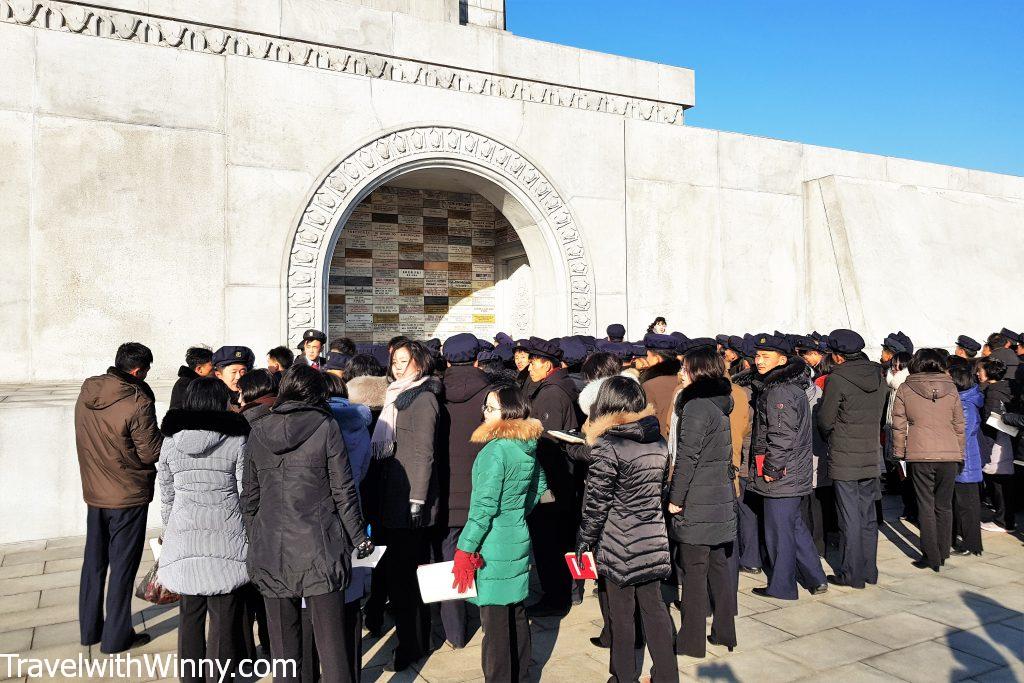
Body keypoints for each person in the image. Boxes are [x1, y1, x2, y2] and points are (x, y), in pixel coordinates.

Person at [241, 364, 372, 683]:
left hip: (272, 547)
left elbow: (250, 496)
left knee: (284, 651)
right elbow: (343, 489)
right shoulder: (326, 425)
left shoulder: (259, 428)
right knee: (332, 647)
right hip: (320, 545)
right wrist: (359, 538)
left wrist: (254, 538)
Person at [575, 377, 677, 680]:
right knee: (655, 609)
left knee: (622, 617)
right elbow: (660, 490)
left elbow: (596, 502)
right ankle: (667, 674)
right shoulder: (657, 440)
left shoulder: (608, 445)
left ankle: (623, 676)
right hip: (653, 538)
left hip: (619, 542)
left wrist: (584, 540)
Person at [452, 386, 548, 683]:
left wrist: (464, 548)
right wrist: (517, 512)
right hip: (516, 536)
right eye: (486, 407)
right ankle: (520, 674)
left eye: (491, 408)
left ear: (508, 412)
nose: (485, 412)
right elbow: (539, 486)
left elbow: (482, 509)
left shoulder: (494, 451)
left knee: (494, 625)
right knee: (516, 613)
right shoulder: (525, 445)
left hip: (492, 546)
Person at [157, 377, 250, 682]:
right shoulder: (236, 440)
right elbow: (244, 493)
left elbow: (167, 494)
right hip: (227, 536)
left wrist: (169, 530)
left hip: (184, 536)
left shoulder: (171, 443)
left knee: (189, 615)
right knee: (224, 619)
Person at [75, 342, 162, 653]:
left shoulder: (88, 389)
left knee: (94, 563)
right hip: (127, 493)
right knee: (122, 566)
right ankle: (116, 637)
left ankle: (90, 629)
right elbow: (150, 451)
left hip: (95, 490)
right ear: (138, 371)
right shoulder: (137, 401)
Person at [368, 340, 443, 671]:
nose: (398, 367)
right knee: (398, 578)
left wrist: (417, 501)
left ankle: (411, 644)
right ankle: (414, 639)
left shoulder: (423, 397)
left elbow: (424, 453)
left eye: (404, 361)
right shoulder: (395, 395)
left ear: (420, 364)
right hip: (390, 500)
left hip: (410, 502)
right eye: (395, 361)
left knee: (407, 581)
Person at [666, 348, 737, 660]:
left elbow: (687, 459)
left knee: (694, 572)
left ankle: (691, 640)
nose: (681, 373)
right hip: (719, 498)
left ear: (696, 370)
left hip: (698, 501)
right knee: (719, 568)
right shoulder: (719, 404)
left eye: (684, 367)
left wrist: (675, 499)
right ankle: (724, 631)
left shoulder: (696, 407)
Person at [746, 334, 828, 600]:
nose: (759, 361)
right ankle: (816, 578)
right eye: (757, 356)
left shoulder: (778, 390)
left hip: (782, 473)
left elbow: (781, 436)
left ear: (782, 360)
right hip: (792, 471)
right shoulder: (787, 386)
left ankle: (782, 586)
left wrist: (771, 469)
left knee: (779, 533)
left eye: (765, 356)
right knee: (793, 526)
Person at [816, 330, 887, 589]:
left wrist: (833, 434)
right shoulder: (878, 376)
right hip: (869, 451)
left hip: (845, 455)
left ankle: (851, 574)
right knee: (867, 515)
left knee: (849, 517)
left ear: (837, 356)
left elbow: (825, 419)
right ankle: (869, 570)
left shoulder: (837, 379)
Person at [438, 333, 492, 649]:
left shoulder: (432, 393)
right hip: (481, 493)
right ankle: (489, 622)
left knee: (450, 562)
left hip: (445, 494)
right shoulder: (493, 395)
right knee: (484, 559)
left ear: (447, 360)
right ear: (476, 360)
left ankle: (454, 633)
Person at [890, 349, 965, 571]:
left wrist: (899, 452)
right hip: (949, 453)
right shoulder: (951, 387)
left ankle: (931, 555)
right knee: (944, 505)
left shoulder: (905, 387)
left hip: (919, 453)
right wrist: (959, 452)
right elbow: (959, 424)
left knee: (925, 505)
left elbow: (898, 424)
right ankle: (942, 551)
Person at [521, 337, 581, 617]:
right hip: (562, 477)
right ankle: (570, 589)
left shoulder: (550, 394)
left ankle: (556, 598)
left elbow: (545, 441)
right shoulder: (557, 386)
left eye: (534, 361)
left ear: (547, 365)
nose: (529, 366)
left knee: (549, 542)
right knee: (562, 538)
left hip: (551, 480)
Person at [325, 373, 373, 681]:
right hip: (356, 512)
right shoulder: (361, 422)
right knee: (352, 597)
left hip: (324, 517)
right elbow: (366, 464)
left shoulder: (321, 424)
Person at [948, 360, 985, 556]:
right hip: (963, 460)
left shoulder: (965, 405)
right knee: (963, 504)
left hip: (965, 463)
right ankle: (965, 540)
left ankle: (972, 544)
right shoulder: (964, 401)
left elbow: (961, 433)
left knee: (968, 506)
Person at [977, 357, 1017, 533]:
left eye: (981, 370)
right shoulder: (1006, 387)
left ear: (989, 372)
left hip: (997, 440)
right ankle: (1006, 518)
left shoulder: (991, 392)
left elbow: (989, 420)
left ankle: (1003, 521)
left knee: (1000, 481)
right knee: (1004, 479)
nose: (978, 373)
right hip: (1007, 439)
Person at [639, 333, 682, 438]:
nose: (646, 360)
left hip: (660, 445)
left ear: (657, 358)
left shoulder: (649, 386)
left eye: (648, 356)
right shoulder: (683, 380)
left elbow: (647, 424)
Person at [169, 346, 213, 411]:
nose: (215, 368)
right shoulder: (185, 384)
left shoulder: (202, 383)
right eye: (212, 365)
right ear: (199, 369)